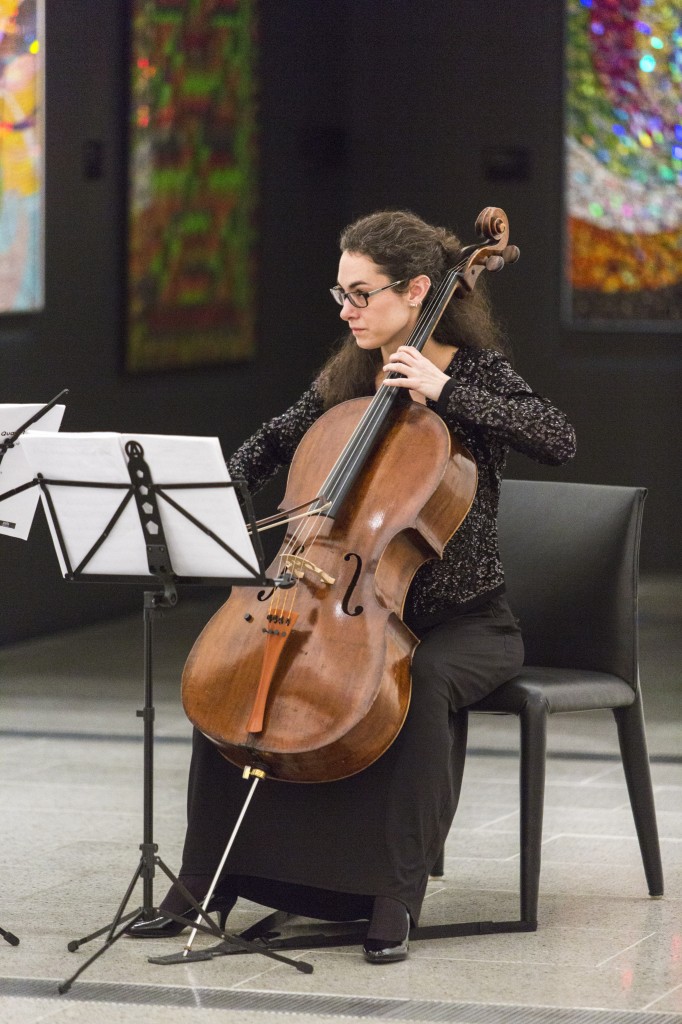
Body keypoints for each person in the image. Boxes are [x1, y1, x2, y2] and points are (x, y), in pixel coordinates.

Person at [129, 209, 576, 962]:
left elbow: (558, 437)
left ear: (418, 292)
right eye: (340, 294)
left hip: (464, 625)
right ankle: (200, 885)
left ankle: (394, 899)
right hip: (339, 600)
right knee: (235, 681)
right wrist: (208, 504)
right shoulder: (349, 373)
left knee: (422, 681)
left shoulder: (471, 372)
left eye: (362, 295)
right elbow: (267, 445)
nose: (347, 311)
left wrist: (444, 391)